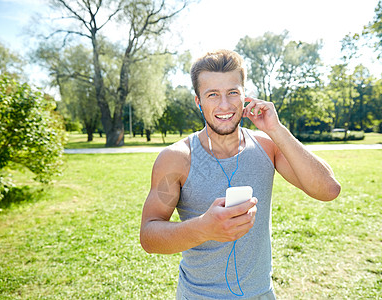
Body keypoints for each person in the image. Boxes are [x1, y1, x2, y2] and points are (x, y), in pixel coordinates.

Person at [140, 49, 341, 299]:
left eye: (232, 92)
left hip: (261, 294)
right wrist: (204, 228)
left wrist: (276, 130)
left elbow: (329, 190)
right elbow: (149, 236)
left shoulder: (268, 146)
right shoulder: (176, 158)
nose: (224, 105)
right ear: (198, 101)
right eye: (212, 94)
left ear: (245, 96)